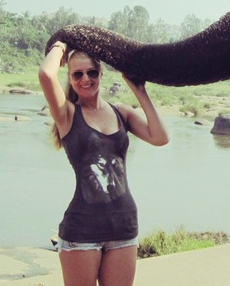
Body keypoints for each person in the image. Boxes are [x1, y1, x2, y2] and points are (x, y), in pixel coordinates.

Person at [39, 41, 169, 286]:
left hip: (124, 226)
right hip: (82, 230)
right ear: (69, 76)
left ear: (101, 73)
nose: (85, 79)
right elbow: (46, 74)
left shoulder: (121, 112)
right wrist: (60, 46)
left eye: (91, 72)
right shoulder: (67, 115)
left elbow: (161, 137)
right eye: (77, 74)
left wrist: (139, 90)